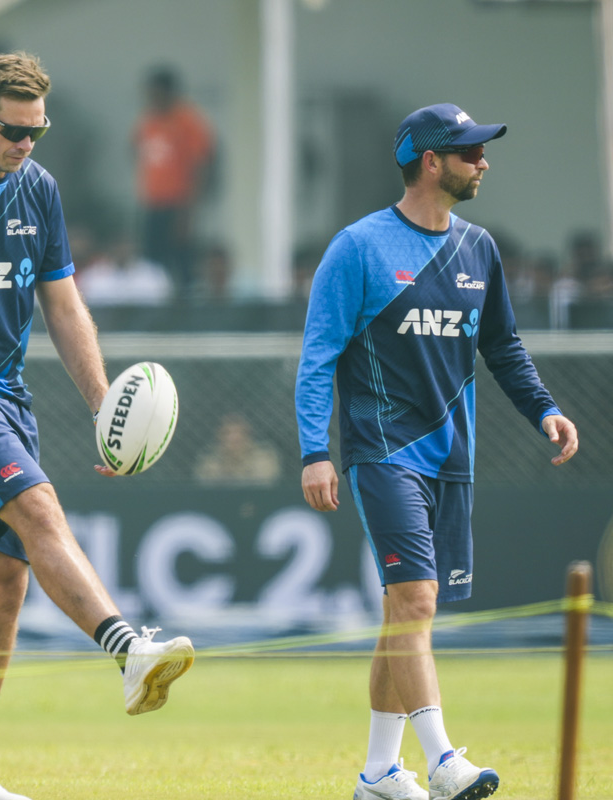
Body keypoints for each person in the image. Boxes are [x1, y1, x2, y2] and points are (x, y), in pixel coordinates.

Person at [0, 52, 195, 800]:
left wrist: (104, 405)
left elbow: (63, 306)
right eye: (13, 131)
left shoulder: (39, 189)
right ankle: (129, 649)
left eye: (37, 131)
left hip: (10, 396)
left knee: (4, 588)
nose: (26, 144)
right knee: (39, 510)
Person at [295, 103, 579, 800]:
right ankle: (442, 759)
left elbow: (503, 346)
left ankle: (379, 773)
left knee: (403, 610)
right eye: (470, 152)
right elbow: (318, 356)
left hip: (453, 458)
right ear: (430, 161)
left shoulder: (479, 248)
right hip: (382, 451)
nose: (483, 162)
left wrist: (544, 407)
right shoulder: (358, 248)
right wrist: (314, 450)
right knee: (417, 599)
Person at [132, 65, 215, 300]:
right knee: (152, 263)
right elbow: (138, 152)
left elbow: (201, 165)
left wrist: (190, 209)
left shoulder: (188, 121)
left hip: (179, 204)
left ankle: (185, 309)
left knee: (181, 259)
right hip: (153, 202)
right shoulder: (148, 121)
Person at [194, 412, 281, 486]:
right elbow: (205, 485)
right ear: (219, 436)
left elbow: (265, 484)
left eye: (239, 433)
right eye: (227, 433)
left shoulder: (264, 457)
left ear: (248, 434)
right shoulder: (209, 460)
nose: (234, 438)